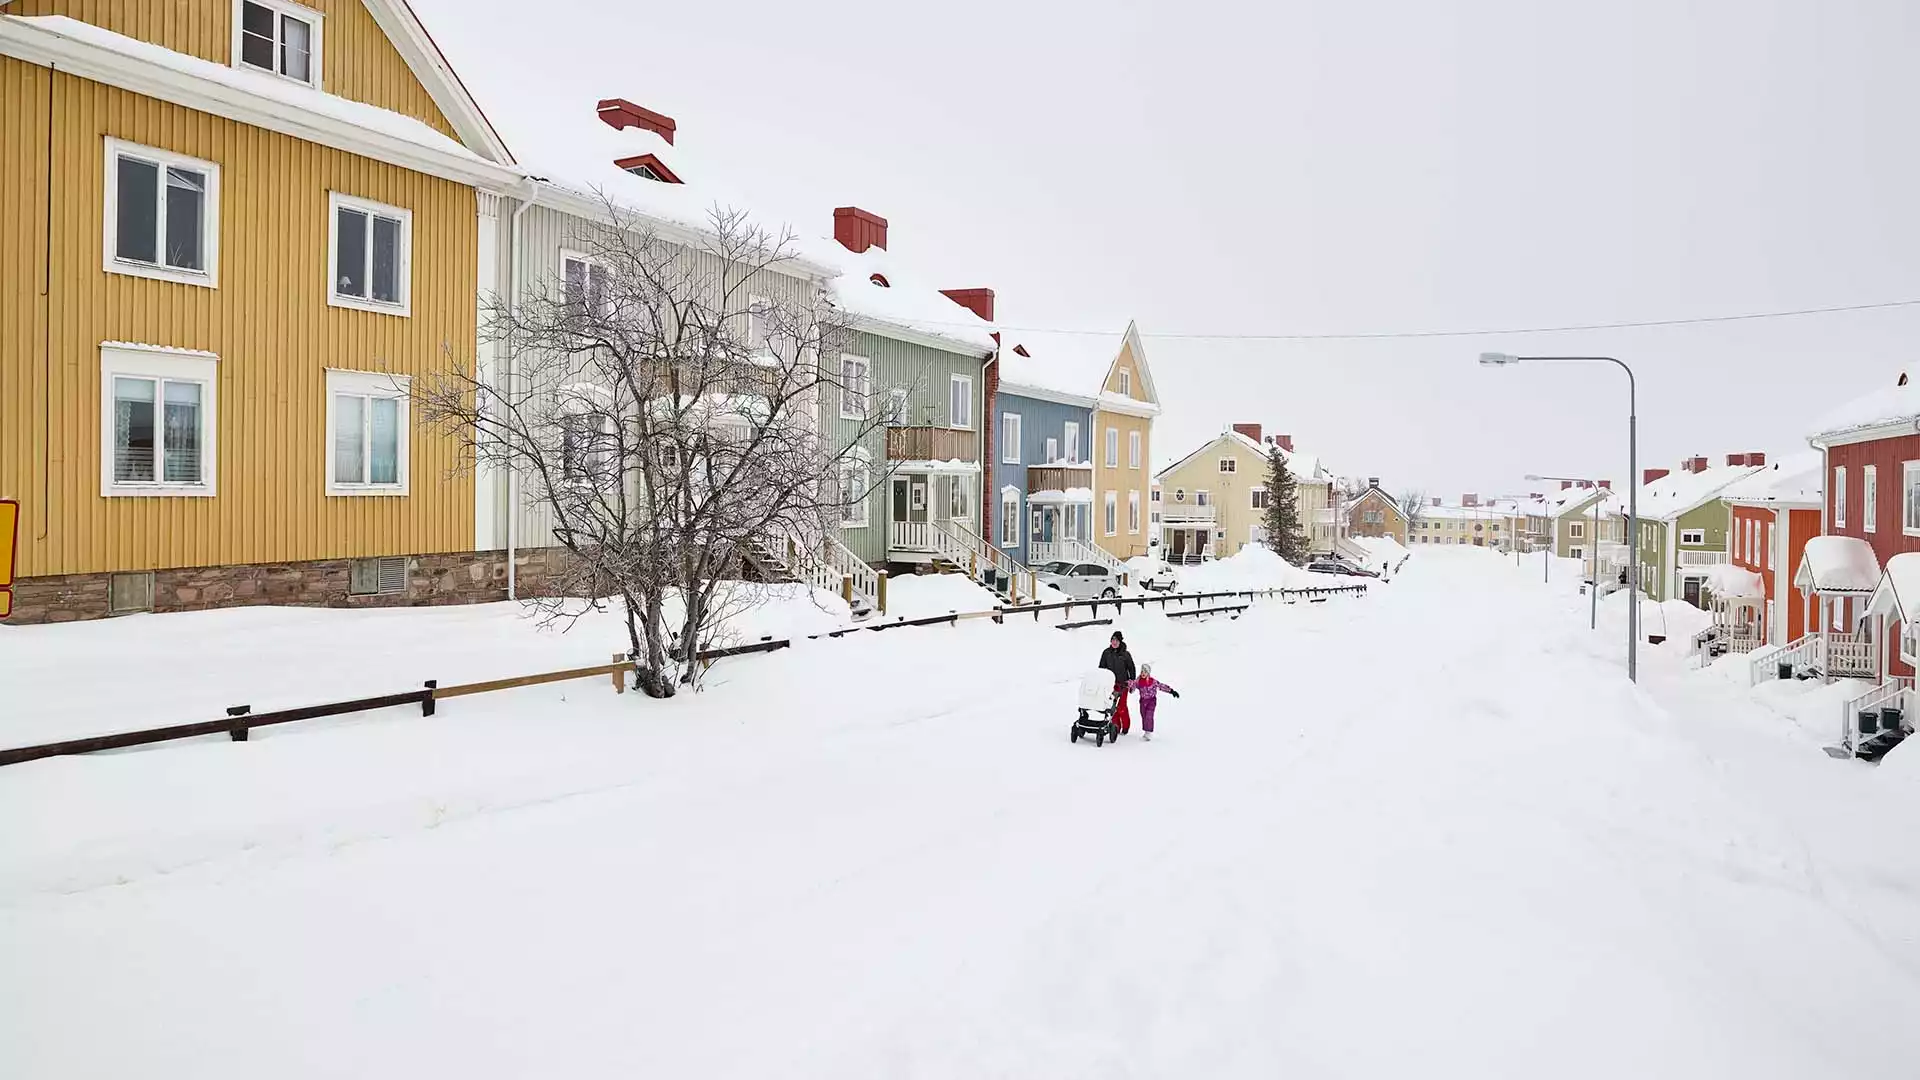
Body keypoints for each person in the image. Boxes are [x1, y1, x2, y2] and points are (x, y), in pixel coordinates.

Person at [1098, 631, 1137, 734]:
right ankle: (1116, 727)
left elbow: (1131, 668)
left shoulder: (1125, 654)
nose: (1114, 642)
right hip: (1111, 684)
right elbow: (1101, 667)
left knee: (1122, 706)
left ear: (1120, 641)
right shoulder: (1106, 653)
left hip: (1123, 684)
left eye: (1116, 640)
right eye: (1112, 640)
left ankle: (1125, 726)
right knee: (1112, 706)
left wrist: (1132, 682)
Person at [1133, 663, 1181, 742]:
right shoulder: (1138, 681)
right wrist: (1127, 684)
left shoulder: (1153, 681)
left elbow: (1161, 686)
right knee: (1144, 716)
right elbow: (1132, 684)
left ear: (1148, 673)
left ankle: (1148, 732)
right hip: (1142, 701)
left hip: (1151, 701)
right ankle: (1146, 731)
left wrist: (1172, 691)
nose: (1143, 673)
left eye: (1145, 672)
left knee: (1149, 715)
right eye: (1142, 671)